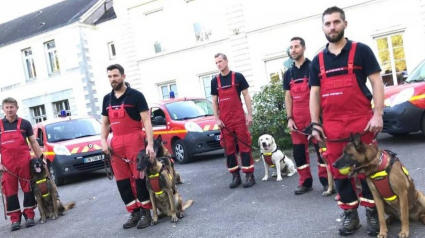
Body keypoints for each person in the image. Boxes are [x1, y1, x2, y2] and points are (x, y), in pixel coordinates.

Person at [309, 6, 384, 236]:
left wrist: (378, 113)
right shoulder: (318, 60)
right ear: (323, 28)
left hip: (361, 124)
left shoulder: (362, 51)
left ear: (344, 24)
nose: (332, 27)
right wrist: (315, 123)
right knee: (340, 172)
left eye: (336, 22)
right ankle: (350, 215)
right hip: (332, 126)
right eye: (328, 24)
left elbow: (377, 82)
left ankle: (373, 213)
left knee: (368, 170)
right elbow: (314, 93)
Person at [100, 64, 155, 229]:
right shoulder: (106, 99)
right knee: (122, 181)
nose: (112, 79)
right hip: (116, 144)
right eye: (110, 76)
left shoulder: (136, 96)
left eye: (115, 76)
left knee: (139, 178)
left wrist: (150, 144)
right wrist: (103, 140)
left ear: (123, 76)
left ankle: (146, 212)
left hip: (135, 141)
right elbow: (104, 123)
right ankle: (134, 212)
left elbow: (146, 121)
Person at [283, 37, 330, 195]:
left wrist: (318, 119)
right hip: (296, 120)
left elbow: (319, 94)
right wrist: (289, 118)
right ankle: (305, 182)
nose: (293, 50)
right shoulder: (288, 73)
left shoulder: (313, 68)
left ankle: (326, 182)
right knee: (298, 154)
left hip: (314, 118)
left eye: (296, 46)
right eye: (291, 47)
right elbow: (288, 97)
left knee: (321, 151)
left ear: (303, 48)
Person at [211, 53, 255, 189]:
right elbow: (214, 100)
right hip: (225, 121)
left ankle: (249, 174)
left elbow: (246, 95)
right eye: (216, 63)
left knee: (244, 146)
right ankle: (235, 175)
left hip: (238, 118)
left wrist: (249, 114)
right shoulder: (215, 81)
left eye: (220, 61)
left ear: (226, 61)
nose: (219, 64)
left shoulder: (238, 77)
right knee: (229, 148)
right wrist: (217, 118)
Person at [0, 97, 43, 231]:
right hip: (7, 164)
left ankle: (29, 215)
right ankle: (15, 219)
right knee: (10, 191)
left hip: (24, 161)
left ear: (16, 108)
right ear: (3, 109)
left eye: (11, 107)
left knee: (27, 187)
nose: (9, 110)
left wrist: (41, 159)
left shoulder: (25, 124)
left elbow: (33, 142)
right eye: (6, 107)